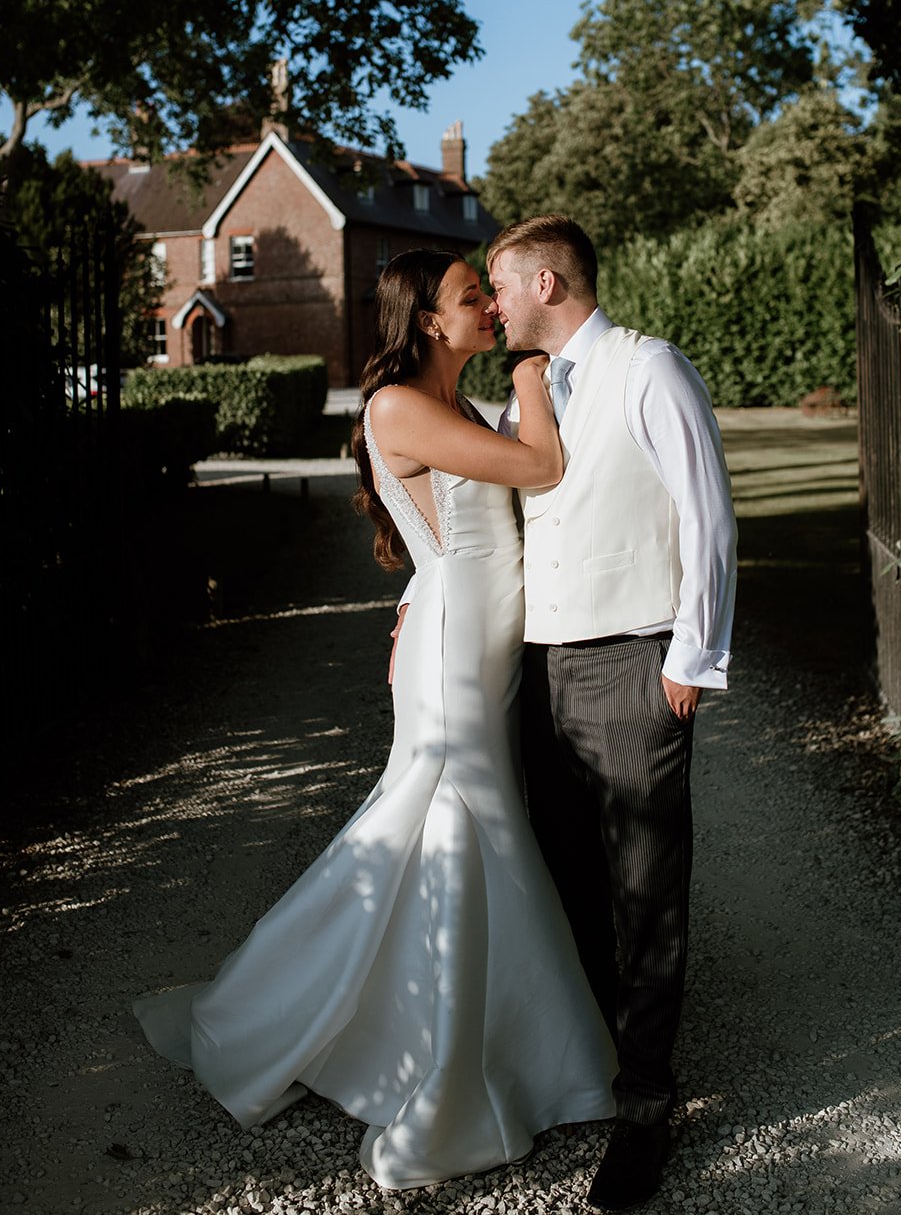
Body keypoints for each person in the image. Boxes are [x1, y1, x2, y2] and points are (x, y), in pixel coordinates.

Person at [133, 249, 615, 1191]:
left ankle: (470, 1037)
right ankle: (441, 1056)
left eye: (486, 291)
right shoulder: (397, 403)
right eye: (469, 294)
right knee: (456, 820)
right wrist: (531, 370)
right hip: (455, 649)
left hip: (476, 636)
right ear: (429, 321)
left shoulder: (445, 402)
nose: (486, 304)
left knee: (453, 823)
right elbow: (542, 467)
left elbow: (455, 530)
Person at [486, 214, 737, 1213]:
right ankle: (595, 1058)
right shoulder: (528, 393)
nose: (494, 303)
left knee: (646, 890)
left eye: (501, 287)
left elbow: (707, 511)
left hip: (634, 664)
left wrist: (692, 658)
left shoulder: (649, 368)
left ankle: (645, 1106)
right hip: (541, 671)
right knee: (566, 876)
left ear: (544, 283)